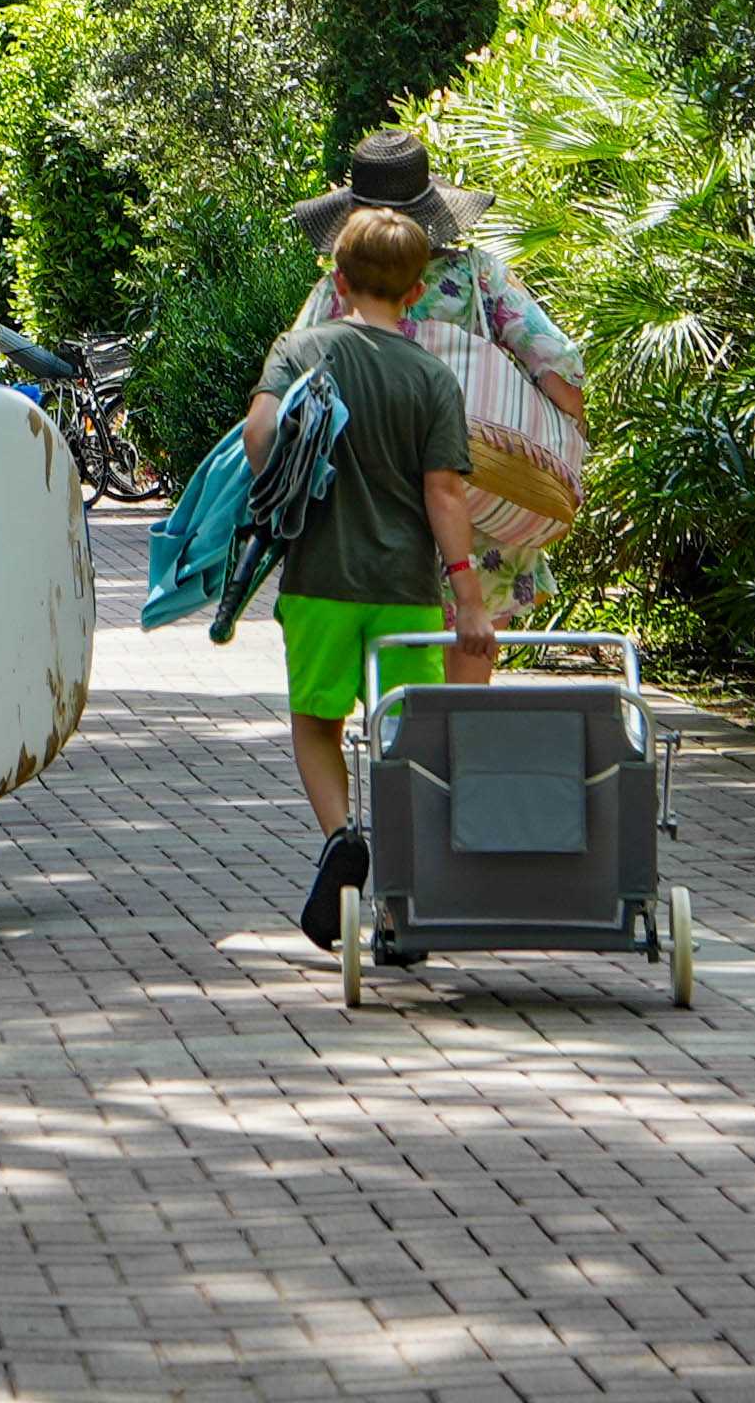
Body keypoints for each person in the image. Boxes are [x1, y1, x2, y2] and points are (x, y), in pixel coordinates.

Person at [247, 203, 496, 952]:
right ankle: (401, 895)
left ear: (340, 279)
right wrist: (470, 601)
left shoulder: (301, 348)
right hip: (404, 592)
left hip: (320, 578)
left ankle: (338, 838)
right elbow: (444, 493)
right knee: (402, 738)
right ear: (417, 290)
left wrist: (280, 485)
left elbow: (261, 432)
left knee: (317, 725)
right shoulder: (430, 377)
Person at [284, 127, 588, 561]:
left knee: (389, 630)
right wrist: (569, 427)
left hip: (374, 519)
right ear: (430, 206)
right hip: (478, 508)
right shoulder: (476, 277)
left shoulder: (340, 290)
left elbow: (295, 384)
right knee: (476, 626)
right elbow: (556, 361)